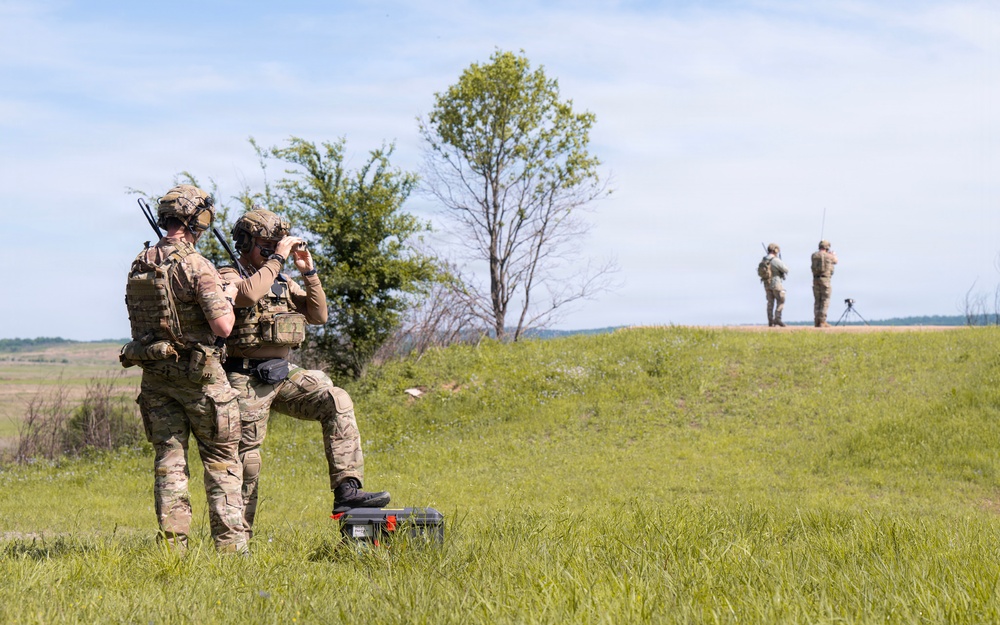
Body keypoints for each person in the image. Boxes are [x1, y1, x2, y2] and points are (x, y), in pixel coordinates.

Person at [218, 207, 390, 534]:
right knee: (247, 462)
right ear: (244, 243)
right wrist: (277, 260)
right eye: (264, 246)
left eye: (275, 245)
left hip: (281, 373)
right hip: (245, 377)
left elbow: (318, 314)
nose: (271, 251)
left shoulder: (282, 277)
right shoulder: (229, 274)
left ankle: (347, 491)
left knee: (335, 399)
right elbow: (247, 295)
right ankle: (236, 542)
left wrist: (309, 273)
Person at [122, 184, 248, 553]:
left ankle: (174, 550)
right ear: (199, 219)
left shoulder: (141, 260)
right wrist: (227, 297)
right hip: (202, 379)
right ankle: (231, 551)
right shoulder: (197, 265)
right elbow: (223, 327)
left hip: (157, 376)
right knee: (222, 462)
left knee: (169, 462)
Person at [760, 243, 790, 327]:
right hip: (776, 283)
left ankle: (770, 321)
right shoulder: (775, 260)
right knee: (781, 300)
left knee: (770, 303)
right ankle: (777, 318)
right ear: (775, 250)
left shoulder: (764, 260)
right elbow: (786, 270)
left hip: (766, 284)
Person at [811, 240, 838, 327]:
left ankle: (817, 321)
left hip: (815, 280)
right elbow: (836, 261)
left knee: (817, 301)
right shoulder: (829, 256)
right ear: (827, 247)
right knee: (825, 300)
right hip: (825, 280)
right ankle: (822, 321)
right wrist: (833, 254)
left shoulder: (814, 255)